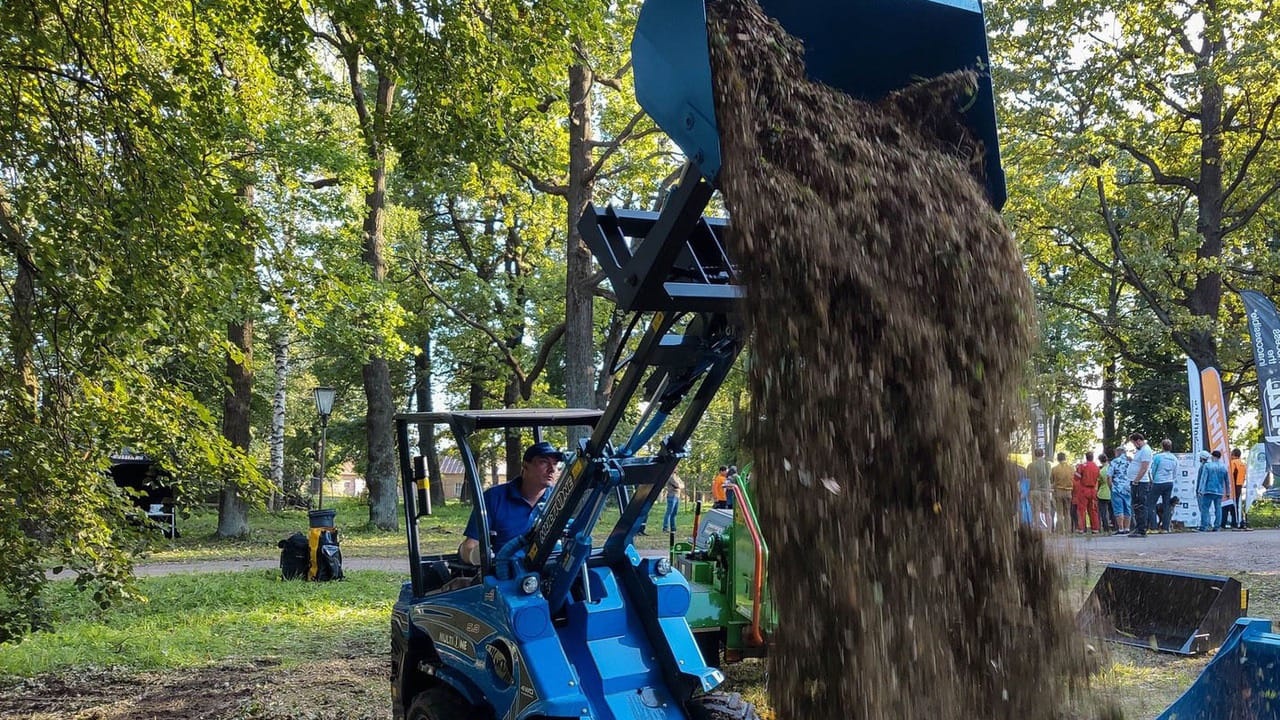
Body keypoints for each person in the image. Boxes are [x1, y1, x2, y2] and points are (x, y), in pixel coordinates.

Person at [458, 441, 564, 565]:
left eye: (555, 464)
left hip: (550, 570)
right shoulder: (493, 498)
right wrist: (476, 556)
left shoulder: (560, 499)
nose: (552, 469)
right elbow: (470, 545)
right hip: (504, 572)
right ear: (525, 466)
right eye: (544, 462)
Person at [1127, 433, 1153, 538]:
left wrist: (1136, 480)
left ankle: (1142, 529)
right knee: (1136, 505)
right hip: (1136, 481)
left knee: (1140, 505)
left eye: (1134, 443)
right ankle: (1138, 527)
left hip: (1141, 482)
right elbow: (1138, 464)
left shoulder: (1146, 450)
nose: (1134, 445)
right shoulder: (1140, 450)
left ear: (1138, 441)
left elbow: (1144, 467)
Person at [1149, 439, 1179, 533]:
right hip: (1169, 482)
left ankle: (1153, 527)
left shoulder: (1158, 457)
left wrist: (1153, 479)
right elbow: (1175, 472)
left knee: (1151, 503)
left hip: (1158, 482)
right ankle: (1165, 528)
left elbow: (1153, 469)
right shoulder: (1174, 458)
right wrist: (1171, 478)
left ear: (1162, 447)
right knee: (1167, 505)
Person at [1196, 449, 1228, 532]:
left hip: (1208, 490)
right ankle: (1217, 526)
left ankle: (1204, 526)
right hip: (1219, 491)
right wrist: (1228, 491)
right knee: (1218, 508)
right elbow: (1227, 480)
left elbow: (1203, 479)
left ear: (1212, 456)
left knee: (1205, 508)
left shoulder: (1207, 466)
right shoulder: (1223, 467)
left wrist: (1200, 490)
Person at [1072, 451, 1100, 533]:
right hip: (1093, 490)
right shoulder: (1096, 467)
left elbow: (1076, 478)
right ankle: (1095, 528)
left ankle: (1081, 528)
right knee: (1093, 510)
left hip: (1084, 489)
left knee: (1081, 509)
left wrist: (1076, 470)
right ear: (1093, 457)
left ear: (1086, 457)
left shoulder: (1082, 466)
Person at [1027, 448, 1053, 530]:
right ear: (1043, 454)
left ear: (1035, 455)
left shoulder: (1030, 465)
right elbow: (1049, 477)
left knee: (1036, 512)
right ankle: (1049, 530)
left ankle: (1037, 530)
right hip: (1045, 490)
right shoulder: (1047, 465)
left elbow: (1028, 478)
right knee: (1047, 512)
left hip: (1034, 490)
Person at [1050, 452, 1075, 533]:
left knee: (1059, 512)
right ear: (1065, 458)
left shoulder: (1054, 469)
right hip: (1068, 491)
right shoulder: (1071, 468)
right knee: (1067, 512)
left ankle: (1060, 530)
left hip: (1059, 491)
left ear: (1058, 459)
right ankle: (1068, 530)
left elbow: (1052, 481)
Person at [1110, 446, 1132, 535]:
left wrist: (1111, 486)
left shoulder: (1114, 462)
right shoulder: (1130, 461)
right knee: (1127, 507)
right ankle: (1127, 528)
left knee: (1118, 508)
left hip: (1117, 487)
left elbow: (1109, 476)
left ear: (1117, 452)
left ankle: (1121, 529)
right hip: (1128, 488)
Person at [1228, 448, 1249, 529]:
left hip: (1233, 485)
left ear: (1233, 455)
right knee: (1237, 504)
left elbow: (1231, 474)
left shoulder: (1233, 462)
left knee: (1232, 504)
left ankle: (1235, 522)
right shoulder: (1243, 464)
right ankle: (1240, 521)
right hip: (1240, 485)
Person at [1096, 453, 1115, 533]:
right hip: (1112, 491)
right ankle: (1115, 526)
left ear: (1100, 461)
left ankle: (1106, 527)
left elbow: (1099, 482)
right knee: (1113, 511)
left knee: (1103, 512)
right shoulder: (1112, 468)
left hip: (1103, 493)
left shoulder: (1101, 471)